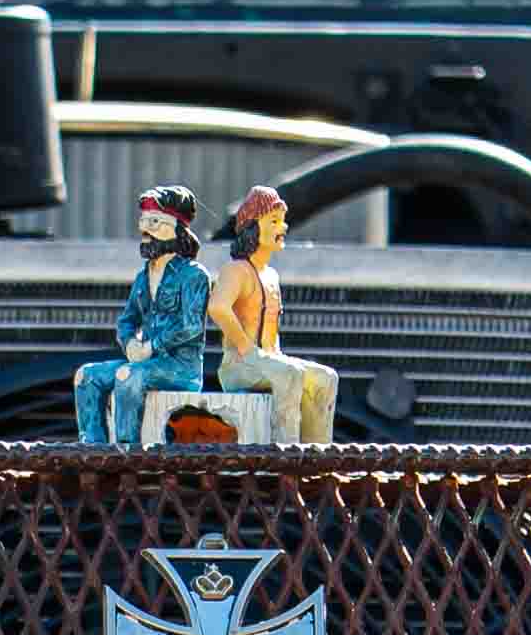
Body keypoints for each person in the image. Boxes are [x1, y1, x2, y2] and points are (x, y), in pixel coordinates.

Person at [73, 183, 216, 448]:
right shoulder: (142, 277)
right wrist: (129, 343)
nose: (144, 229)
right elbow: (127, 320)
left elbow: (191, 326)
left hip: (180, 369)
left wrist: (151, 347)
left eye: (155, 222)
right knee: (87, 375)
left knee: (128, 376)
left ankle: (127, 448)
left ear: (177, 229)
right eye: (143, 220)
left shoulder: (194, 275)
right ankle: (91, 447)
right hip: (143, 362)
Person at [203, 183, 340, 445]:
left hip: (270, 359)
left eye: (283, 221)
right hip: (240, 366)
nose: (283, 228)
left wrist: (274, 357)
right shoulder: (236, 270)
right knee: (289, 375)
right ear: (253, 228)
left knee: (325, 378)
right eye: (274, 221)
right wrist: (246, 348)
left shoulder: (272, 276)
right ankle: (285, 454)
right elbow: (217, 307)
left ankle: (315, 455)